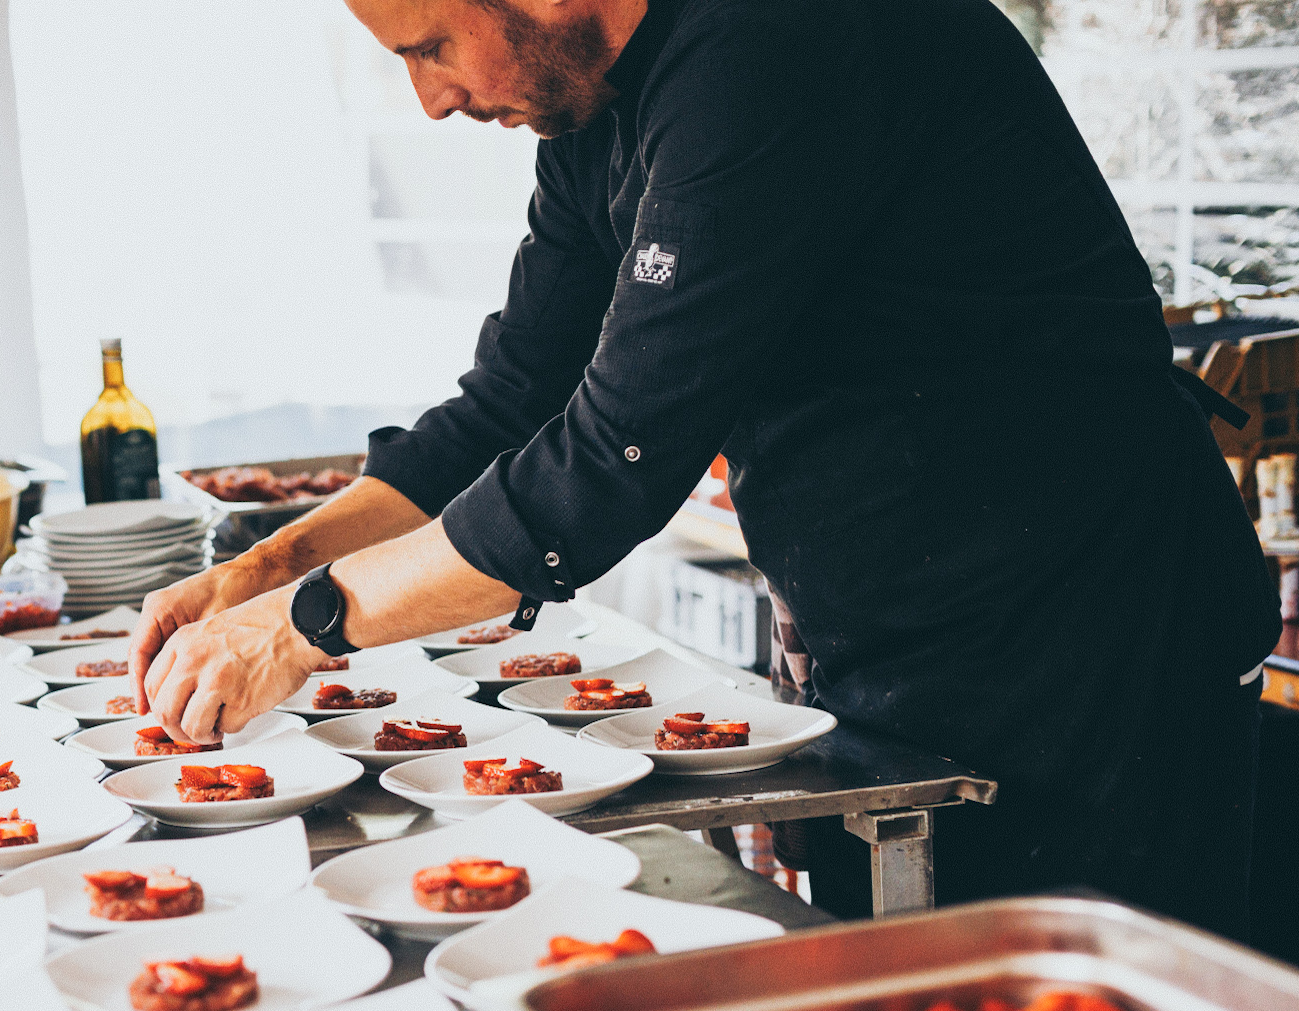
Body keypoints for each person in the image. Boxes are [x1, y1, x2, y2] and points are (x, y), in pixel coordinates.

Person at [129, 0, 1280, 937]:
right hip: (888, 636)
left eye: (428, 47)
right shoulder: (590, 112)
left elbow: (601, 467)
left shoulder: (781, 46)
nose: (428, 100)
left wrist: (299, 626)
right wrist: (264, 569)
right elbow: (509, 402)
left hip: (1092, 644)